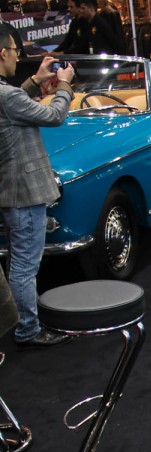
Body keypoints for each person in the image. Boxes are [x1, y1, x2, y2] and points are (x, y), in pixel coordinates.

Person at [0, 24, 75, 348]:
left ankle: (23, 324)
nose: (18, 59)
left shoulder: (7, 95)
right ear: (3, 53)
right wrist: (63, 85)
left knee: (18, 262)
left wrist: (37, 80)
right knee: (24, 267)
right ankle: (28, 330)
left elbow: (15, 102)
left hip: (10, 188)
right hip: (24, 191)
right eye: (16, 53)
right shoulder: (7, 96)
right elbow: (55, 115)